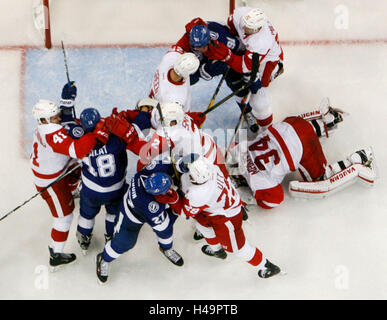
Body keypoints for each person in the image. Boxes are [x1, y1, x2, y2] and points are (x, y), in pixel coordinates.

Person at [228, 98, 377, 209]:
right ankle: (325, 120)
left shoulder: (259, 183)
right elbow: (230, 151)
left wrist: (250, 198)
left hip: (304, 146)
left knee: (320, 178)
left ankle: (361, 159)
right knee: (287, 133)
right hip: (291, 123)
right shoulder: (236, 152)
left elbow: (274, 200)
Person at [156, 154, 281, 279]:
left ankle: (266, 266)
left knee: (238, 248)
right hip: (218, 208)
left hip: (227, 218)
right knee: (201, 224)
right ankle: (217, 251)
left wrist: (174, 199)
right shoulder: (212, 168)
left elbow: (185, 213)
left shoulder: (198, 193)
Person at [30, 98, 109, 270]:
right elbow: (79, 150)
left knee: (77, 166)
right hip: (51, 181)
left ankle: (73, 189)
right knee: (64, 218)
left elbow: (64, 131)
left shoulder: (46, 126)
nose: (58, 118)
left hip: (59, 167)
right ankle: (55, 254)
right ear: (44, 120)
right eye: (54, 116)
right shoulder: (51, 132)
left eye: (57, 114)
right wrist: (95, 134)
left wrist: (66, 103)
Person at [95, 162, 183, 284]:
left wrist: (180, 166)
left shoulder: (146, 174)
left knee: (165, 230)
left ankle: (166, 248)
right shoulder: (150, 206)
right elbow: (163, 224)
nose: (170, 188)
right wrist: (176, 203)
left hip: (138, 206)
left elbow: (168, 165)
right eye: (166, 189)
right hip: (130, 217)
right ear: (156, 194)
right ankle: (104, 258)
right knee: (124, 242)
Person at [201, 7, 284, 132]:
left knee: (259, 99)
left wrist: (226, 55)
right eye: (244, 25)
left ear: (258, 29)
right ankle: (246, 110)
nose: (244, 28)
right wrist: (232, 45)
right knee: (237, 84)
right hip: (248, 52)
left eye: (248, 28)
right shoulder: (241, 15)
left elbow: (244, 66)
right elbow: (230, 27)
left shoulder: (261, 41)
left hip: (266, 60)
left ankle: (267, 131)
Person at [75, 108, 129, 255]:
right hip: (115, 189)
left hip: (91, 191)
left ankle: (83, 240)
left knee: (87, 214)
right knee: (112, 213)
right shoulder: (115, 140)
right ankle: (111, 238)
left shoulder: (80, 142)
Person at [173, 18, 244, 85]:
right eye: (196, 47)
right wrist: (204, 71)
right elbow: (173, 61)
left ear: (209, 40)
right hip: (206, 58)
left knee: (233, 77)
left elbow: (240, 49)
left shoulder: (222, 39)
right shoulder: (186, 41)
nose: (199, 50)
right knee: (185, 74)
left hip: (228, 52)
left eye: (203, 46)